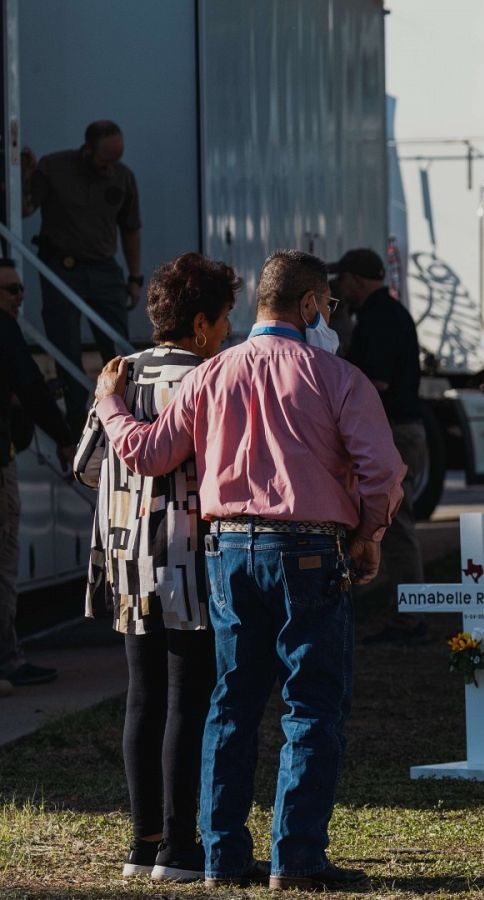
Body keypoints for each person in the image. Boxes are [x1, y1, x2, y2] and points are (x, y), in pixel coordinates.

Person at [92, 250, 403, 891]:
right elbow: (383, 471)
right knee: (311, 707)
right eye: (328, 306)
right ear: (311, 304)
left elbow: (148, 453)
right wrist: (370, 534)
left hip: (228, 549)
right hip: (311, 549)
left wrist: (109, 404)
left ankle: (222, 857)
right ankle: (297, 861)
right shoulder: (338, 377)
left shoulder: (212, 375)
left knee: (230, 706)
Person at [72, 253, 237, 883]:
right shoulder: (213, 376)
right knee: (187, 702)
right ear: (200, 325)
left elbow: (87, 466)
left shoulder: (119, 373)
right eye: (224, 320)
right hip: (189, 555)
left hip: (125, 554)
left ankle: (143, 843)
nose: (228, 331)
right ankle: (178, 846)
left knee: (142, 700)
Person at [331, 248, 427, 642]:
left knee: (397, 523)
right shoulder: (388, 313)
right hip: (405, 428)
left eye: (343, 282)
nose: (342, 290)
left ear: (355, 279)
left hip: (397, 431)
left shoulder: (377, 318)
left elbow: (377, 383)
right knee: (393, 522)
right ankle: (400, 608)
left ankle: (411, 616)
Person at [23, 120, 143, 420]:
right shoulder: (54, 168)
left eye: (116, 159)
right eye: (105, 160)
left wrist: (135, 277)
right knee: (67, 354)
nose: (109, 167)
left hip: (104, 271)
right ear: (87, 149)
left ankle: (126, 425)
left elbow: (130, 230)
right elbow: (24, 208)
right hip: (63, 270)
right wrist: (24, 174)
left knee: (119, 356)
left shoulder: (123, 176)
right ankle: (76, 431)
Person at [0, 258, 73, 692]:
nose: (19, 296)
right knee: (4, 561)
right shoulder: (5, 329)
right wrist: (64, 437)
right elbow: (32, 387)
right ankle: (7, 660)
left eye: (21, 288)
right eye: (10, 289)